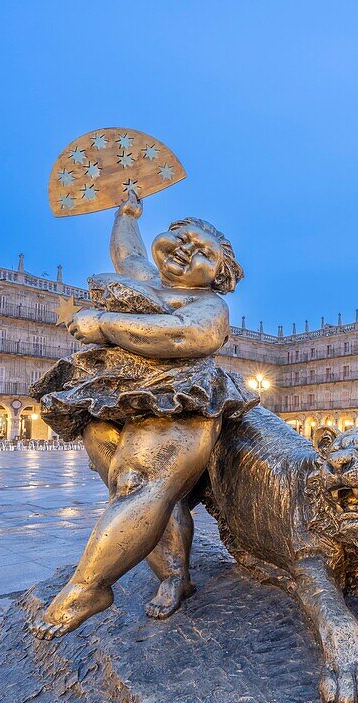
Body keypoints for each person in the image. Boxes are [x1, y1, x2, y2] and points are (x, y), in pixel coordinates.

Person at [28, 195, 258, 639]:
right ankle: (175, 576)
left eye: (204, 253)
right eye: (183, 237)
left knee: (140, 484)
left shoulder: (210, 306)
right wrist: (127, 215)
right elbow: (128, 252)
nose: (187, 251)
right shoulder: (146, 280)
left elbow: (183, 334)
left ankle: (88, 588)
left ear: (219, 277)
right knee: (138, 493)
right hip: (116, 395)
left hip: (182, 399)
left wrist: (105, 324)